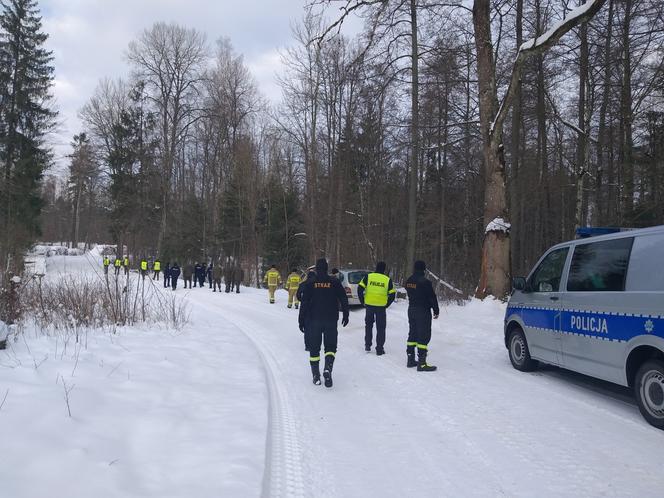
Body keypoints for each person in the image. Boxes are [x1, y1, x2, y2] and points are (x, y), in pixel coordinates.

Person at [298, 258, 349, 387]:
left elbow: (304, 302)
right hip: (331, 320)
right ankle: (328, 368)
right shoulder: (334, 281)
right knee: (330, 347)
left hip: (313, 320)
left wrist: (301, 320)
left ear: (316, 269)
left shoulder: (310, 283)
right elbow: (343, 297)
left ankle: (316, 376)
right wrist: (346, 314)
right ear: (326, 268)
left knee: (314, 349)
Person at [405, 260, 439, 372]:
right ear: (423, 269)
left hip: (411, 309)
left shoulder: (408, 281)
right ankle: (422, 363)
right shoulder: (425, 282)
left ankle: (410, 359)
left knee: (413, 333)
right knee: (423, 335)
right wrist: (436, 310)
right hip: (423, 311)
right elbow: (432, 297)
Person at [358, 261, 396, 355]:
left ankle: (367, 345)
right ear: (384, 269)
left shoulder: (369, 277)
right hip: (381, 307)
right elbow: (392, 294)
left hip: (369, 305)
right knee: (381, 328)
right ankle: (379, 349)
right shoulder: (387, 280)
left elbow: (360, 288)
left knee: (369, 326)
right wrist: (387, 304)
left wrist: (362, 301)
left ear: (376, 268)